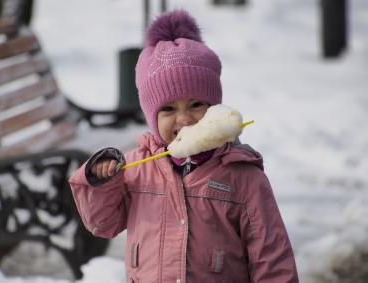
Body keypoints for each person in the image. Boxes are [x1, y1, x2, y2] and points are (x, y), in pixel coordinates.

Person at [69, 9, 299, 283]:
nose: (184, 119)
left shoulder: (242, 176)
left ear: (215, 109)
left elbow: (271, 256)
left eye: (196, 105)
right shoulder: (137, 169)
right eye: (168, 109)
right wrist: (102, 181)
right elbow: (103, 224)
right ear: (152, 118)